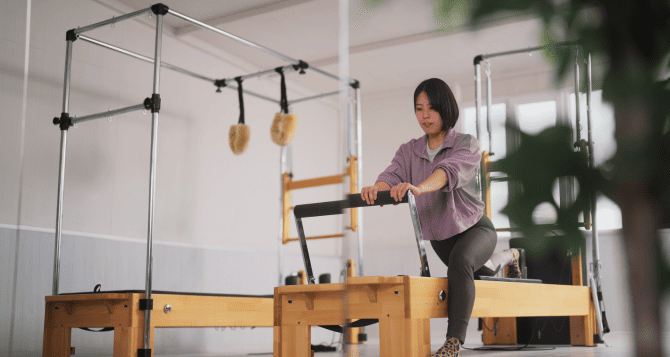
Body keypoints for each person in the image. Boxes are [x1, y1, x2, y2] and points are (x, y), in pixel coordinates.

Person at [361, 78, 519, 357]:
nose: (424, 116)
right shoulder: (409, 150)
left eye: (431, 108)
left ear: (446, 109)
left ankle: (453, 342)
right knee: (480, 272)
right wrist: (377, 189)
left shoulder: (466, 144)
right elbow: (392, 175)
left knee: (460, 264)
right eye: (419, 108)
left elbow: (449, 172)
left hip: (475, 229)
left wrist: (418, 187)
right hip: (441, 237)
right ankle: (510, 256)